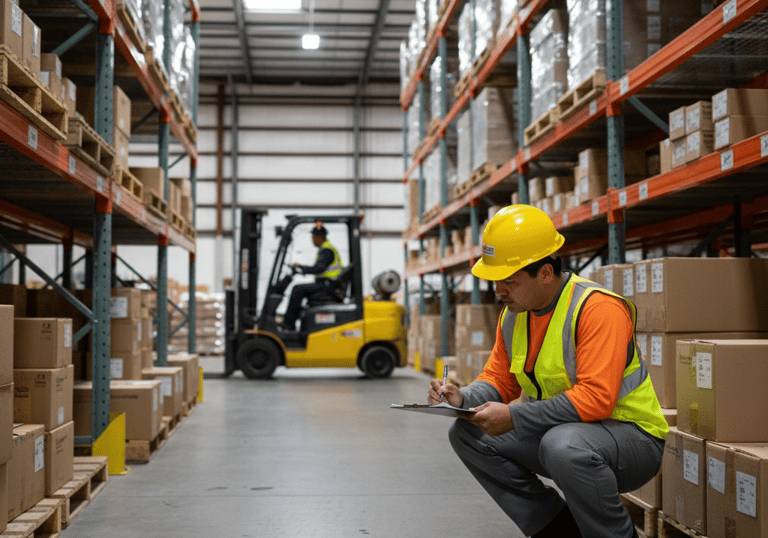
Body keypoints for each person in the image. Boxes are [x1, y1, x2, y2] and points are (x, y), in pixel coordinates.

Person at [428, 205, 668, 538]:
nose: (499, 292)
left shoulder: (596, 309)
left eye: (509, 282)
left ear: (544, 273)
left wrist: (514, 418)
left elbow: (597, 400)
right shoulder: (515, 315)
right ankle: (558, 530)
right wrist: (462, 396)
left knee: (563, 445)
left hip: (632, 439)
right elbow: (499, 380)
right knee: (467, 434)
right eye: (496, 282)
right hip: (568, 432)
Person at [281, 223, 344, 330]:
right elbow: (318, 268)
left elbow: (318, 268)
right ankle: (292, 320)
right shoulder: (325, 249)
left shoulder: (327, 250)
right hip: (327, 284)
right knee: (299, 289)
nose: (312, 240)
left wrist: (301, 268)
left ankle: (288, 324)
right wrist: (301, 269)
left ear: (319, 237)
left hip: (328, 285)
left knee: (297, 289)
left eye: (313, 237)